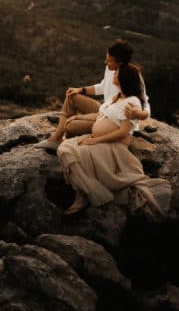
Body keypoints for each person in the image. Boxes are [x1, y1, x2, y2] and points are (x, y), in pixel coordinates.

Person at [56, 63, 171, 217]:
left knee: (71, 153)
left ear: (123, 79)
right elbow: (100, 116)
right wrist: (78, 117)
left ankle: (83, 196)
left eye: (116, 73)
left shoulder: (132, 102)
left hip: (111, 145)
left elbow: (123, 132)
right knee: (64, 148)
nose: (113, 75)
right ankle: (85, 191)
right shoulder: (114, 98)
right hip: (97, 139)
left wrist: (97, 141)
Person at [33, 39, 150, 152]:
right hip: (104, 111)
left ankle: (69, 141)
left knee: (71, 127)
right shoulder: (110, 70)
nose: (106, 62)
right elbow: (102, 87)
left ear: (119, 63)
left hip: (114, 123)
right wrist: (81, 90)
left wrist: (137, 114)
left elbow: (145, 107)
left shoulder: (133, 76)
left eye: (109, 61)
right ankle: (56, 138)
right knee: (72, 96)